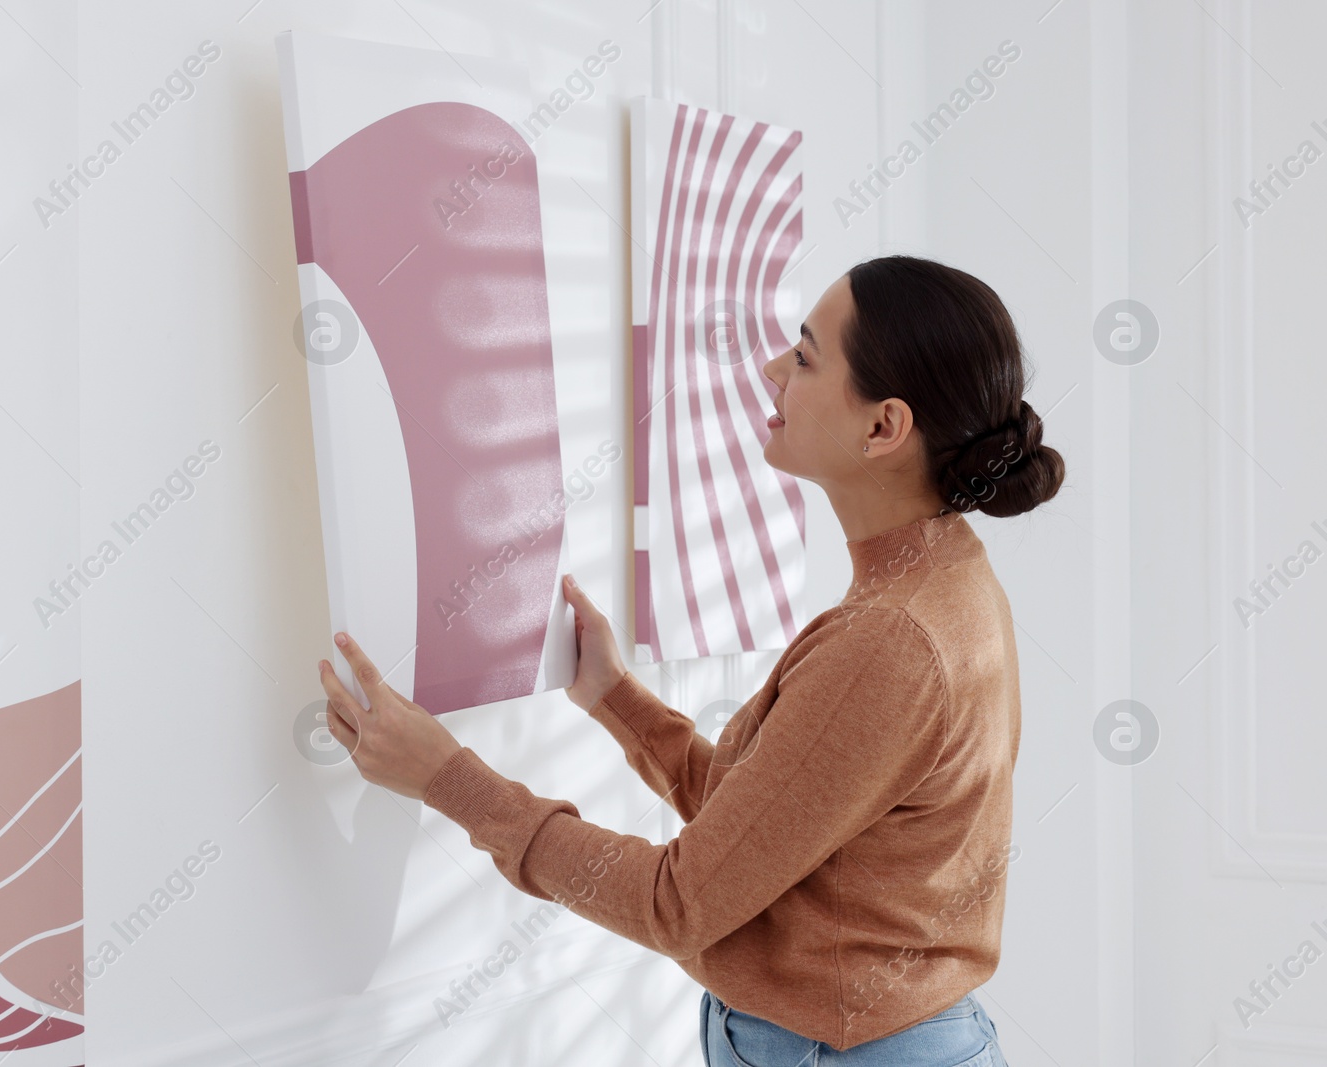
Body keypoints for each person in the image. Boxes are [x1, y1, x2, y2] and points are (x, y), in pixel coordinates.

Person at [315, 254, 1063, 1064]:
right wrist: (617, 700)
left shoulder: (891, 641)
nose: (773, 369)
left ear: (883, 427)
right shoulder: (946, 578)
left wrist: (447, 779)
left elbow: (678, 902)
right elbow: (770, 827)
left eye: (806, 357)